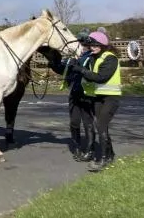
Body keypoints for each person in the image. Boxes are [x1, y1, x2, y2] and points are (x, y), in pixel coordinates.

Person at [47, 29, 121, 172]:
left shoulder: (109, 58)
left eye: (92, 44)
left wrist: (79, 69)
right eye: (87, 44)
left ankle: (103, 157)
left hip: (109, 97)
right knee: (98, 125)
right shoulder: (92, 56)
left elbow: (100, 77)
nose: (89, 46)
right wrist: (56, 64)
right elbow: (70, 70)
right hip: (96, 95)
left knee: (99, 125)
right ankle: (108, 155)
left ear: (102, 44)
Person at [39, 30, 95, 162]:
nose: (81, 45)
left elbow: (91, 72)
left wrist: (78, 65)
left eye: (83, 43)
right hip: (74, 93)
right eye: (79, 42)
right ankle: (76, 147)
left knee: (88, 122)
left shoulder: (92, 56)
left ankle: (89, 150)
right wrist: (53, 64)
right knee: (74, 122)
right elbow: (63, 69)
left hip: (87, 94)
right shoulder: (74, 57)